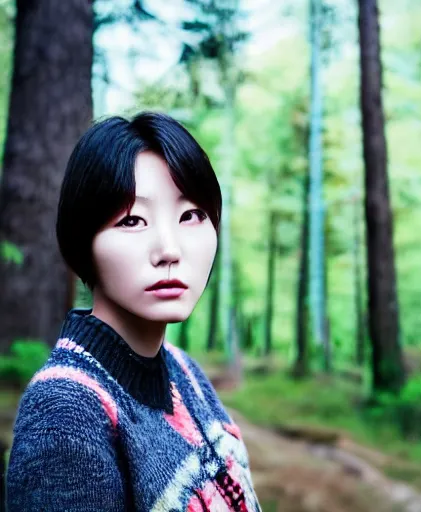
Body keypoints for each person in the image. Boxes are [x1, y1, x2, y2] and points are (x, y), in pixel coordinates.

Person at [6, 112, 261, 512]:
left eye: (190, 215)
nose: (170, 250)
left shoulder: (184, 371)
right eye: (132, 220)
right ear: (82, 239)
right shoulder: (65, 413)